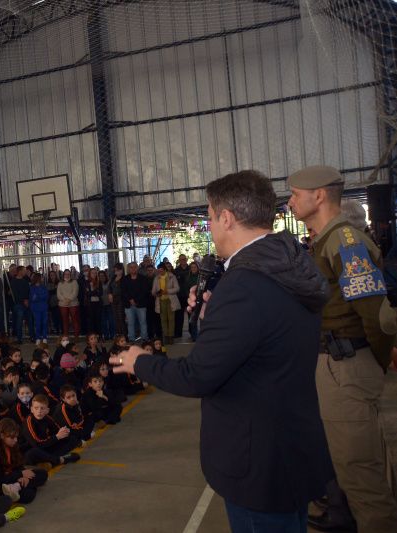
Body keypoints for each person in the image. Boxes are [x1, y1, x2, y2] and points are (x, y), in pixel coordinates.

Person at [111, 170, 333, 532]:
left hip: (257, 460)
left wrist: (142, 363)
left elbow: (197, 375)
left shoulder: (243, 286)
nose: (211, 226)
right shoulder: (291, 263)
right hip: (292, 446)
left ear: (227, 218)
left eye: (211, 217)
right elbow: (264, 335)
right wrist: (215, 314)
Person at [287, 165, 397, 532]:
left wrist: (371, 362)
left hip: (347, 363)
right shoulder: (328, 240)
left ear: (318, 195)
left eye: (295, 194)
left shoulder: (344, 241)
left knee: (361, 475)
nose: (290, 202)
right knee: (358, 465)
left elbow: (378, 318)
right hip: (338, 361)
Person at [0, 418, 49, 504]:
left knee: (43, 474)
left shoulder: (11, 444)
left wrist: (22, 475)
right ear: (2, 435)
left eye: (16, 437)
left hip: (11, 477)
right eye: (12, 437)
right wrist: (20, 475)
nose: (16, 440)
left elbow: (17, 464)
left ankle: (17, 486)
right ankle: (19, 487)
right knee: (28, 495)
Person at [151, 263, 180, 346]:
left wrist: (167, 291)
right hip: (161, 301)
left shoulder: (172, 276)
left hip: (170, 300)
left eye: (161, 270)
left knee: (171, 319)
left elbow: (177, 288)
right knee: (163, 320)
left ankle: (171, 337)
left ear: (165, 269)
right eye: (159, 270)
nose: (160, 272)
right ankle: (166, 336)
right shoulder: (156, 278)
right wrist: (156, 293)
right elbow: (153, 291)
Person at [123, 262, 149, 340]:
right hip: (129, 305)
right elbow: (124, 291)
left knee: (143, 322)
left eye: (134, 267)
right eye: (131, 267)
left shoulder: (143, 278)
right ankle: (131, 338)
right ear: (128, 269)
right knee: (130, 323)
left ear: (137, 268)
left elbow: (144, 291)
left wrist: (136, 300)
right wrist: (130, 299)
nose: (133, 269)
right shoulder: (125, 279)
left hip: (141, 304)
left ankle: (144, 338)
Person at [10, 266, 32, 343]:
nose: (25, 272)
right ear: (20, 271)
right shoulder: (13, 281)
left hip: (26, 304)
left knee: (30, 320)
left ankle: (32, 337)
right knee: (19, 321)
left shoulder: (25, 281)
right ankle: (19, 338)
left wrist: (28, 300)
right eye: (24, 270)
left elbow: (28, 292)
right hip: (18, 304)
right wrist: (24, 300)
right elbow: (15, 294)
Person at [57, 269, 80, 338]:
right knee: (65, 320)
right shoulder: (60, 283)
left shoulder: (74, 282)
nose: (67, 275)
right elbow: (58, 294)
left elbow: (75, 292)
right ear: (63, 275)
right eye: (65, 274)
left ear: (70, 275)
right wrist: (65, 300)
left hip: (73, 304)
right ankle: (66, 336)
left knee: (74, 320)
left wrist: (69, 299)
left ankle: (76, 336)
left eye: (68, 274)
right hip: (63, 305)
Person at [29, 272, 49, 345]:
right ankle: (37, 337)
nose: (43, 278)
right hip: (36, 308)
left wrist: (38, 297)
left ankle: (44, 337)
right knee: (37, 323)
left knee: (44, 322)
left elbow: (46, 297)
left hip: (44, 307)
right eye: (41, 277)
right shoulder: (32, 288)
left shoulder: (44, 287)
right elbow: (32, 298)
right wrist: (39, 297)